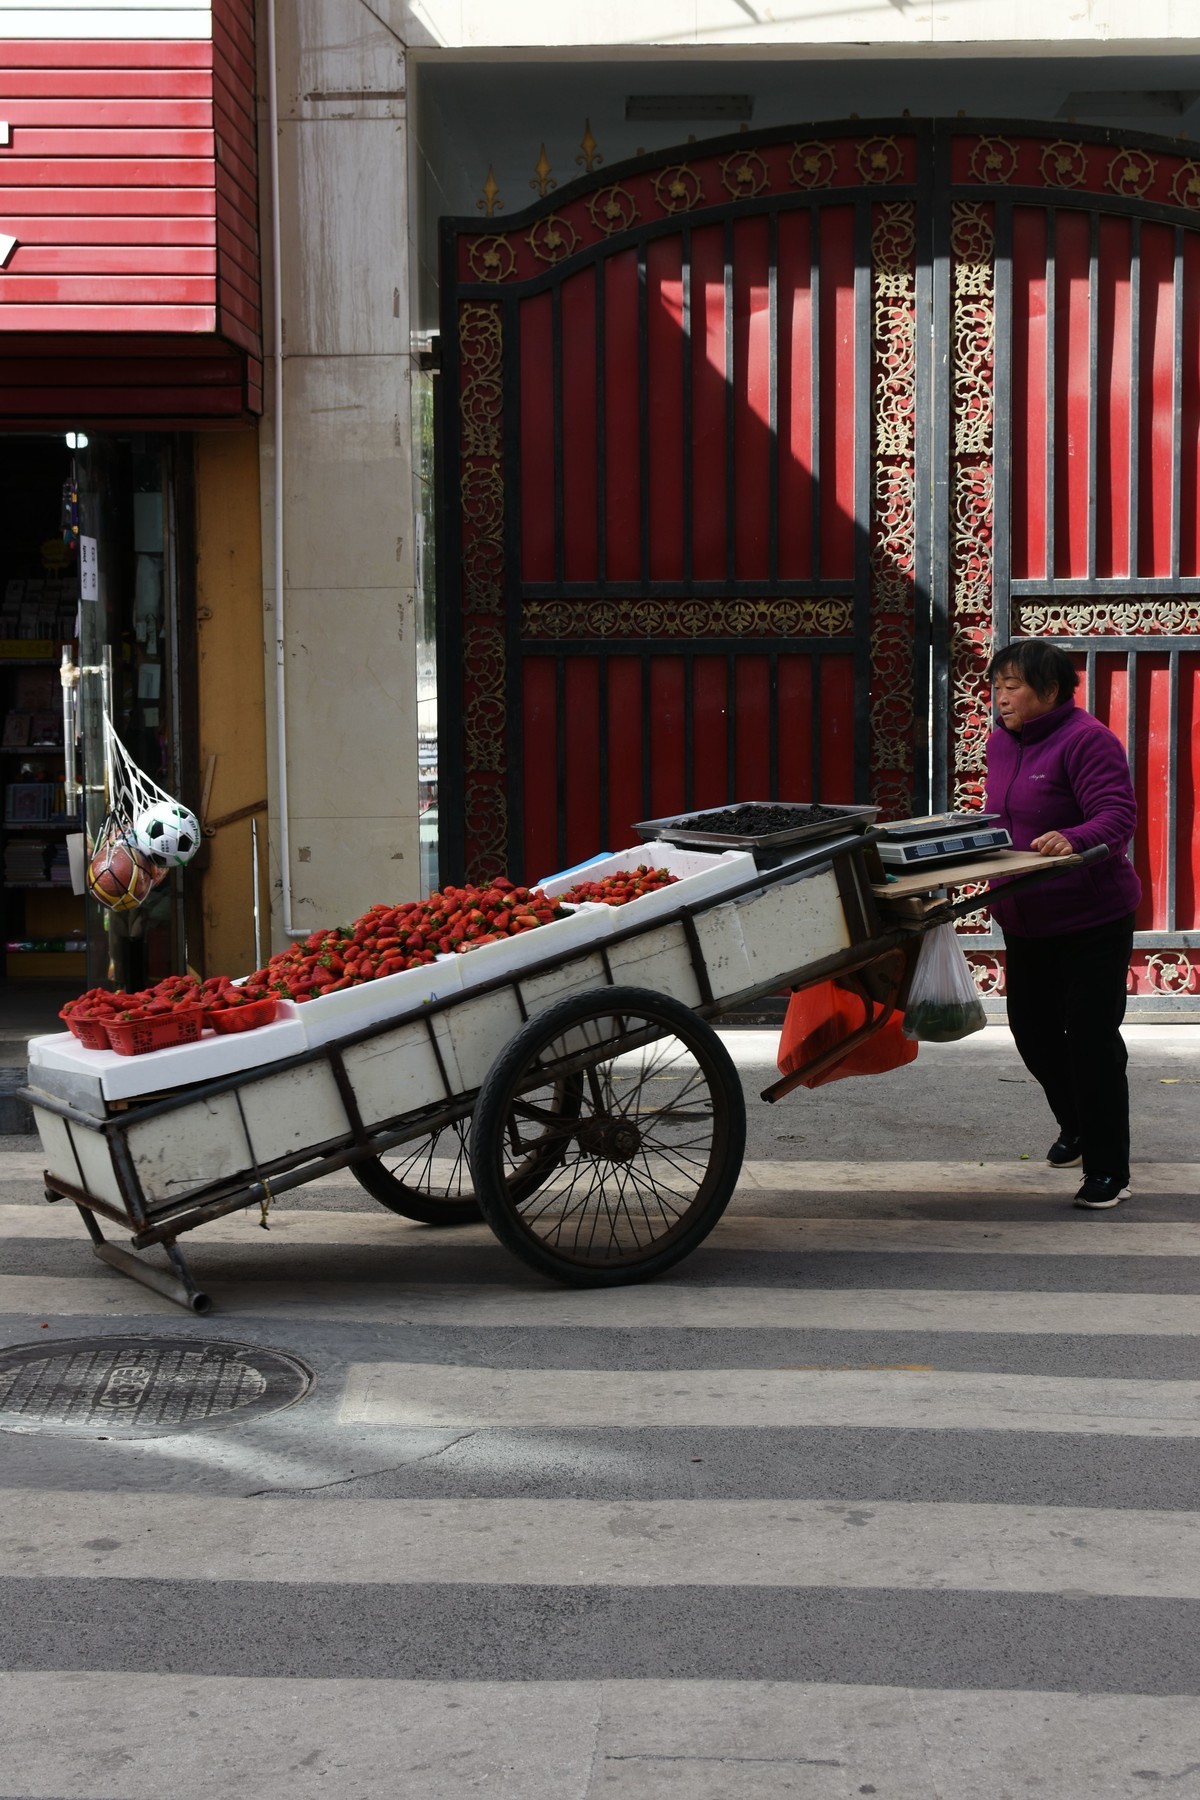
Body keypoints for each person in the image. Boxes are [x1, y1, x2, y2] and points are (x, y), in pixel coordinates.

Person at [984, 640, 1142, 1210]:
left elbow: (1117, 816)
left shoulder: (1086, 739)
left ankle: (1108, 1169)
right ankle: (1077, 1124)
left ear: (1049, 691)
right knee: (1033, 1031)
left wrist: (1073, 838)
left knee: (1091, 1039)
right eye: (996, 685)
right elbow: (999, 816)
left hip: (1091, 916)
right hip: (1027, 916)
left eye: (1012, 686)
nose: (1000, 697)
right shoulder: (1002, 742)